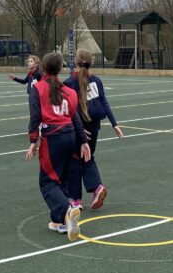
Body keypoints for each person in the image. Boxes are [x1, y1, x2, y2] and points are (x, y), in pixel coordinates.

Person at [26, 52, 90, 240]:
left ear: (43, 68)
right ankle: (60, 222)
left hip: (53, 138)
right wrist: (83, 141)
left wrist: (32, 142)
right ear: (61, 68)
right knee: (61, 178)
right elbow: (74, 117)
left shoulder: (38, 89)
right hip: (70, 136)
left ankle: (67, 210)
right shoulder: (69, 91)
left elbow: (35, 118)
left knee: (47, 182)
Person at [64, 48, 123, 209]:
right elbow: (104, 102)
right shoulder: (96, 80)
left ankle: (76, 199)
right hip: (94, 126)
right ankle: (96, 188)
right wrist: (114, 124)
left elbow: (71, 109)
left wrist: (79, 129)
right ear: (92, 62)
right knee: (88, 157)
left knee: (75, 160)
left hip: (79, 127)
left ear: (75, 62)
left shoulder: (70, 82)